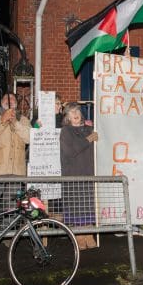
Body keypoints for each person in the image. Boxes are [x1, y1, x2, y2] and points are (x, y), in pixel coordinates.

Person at [0, 93, 32, 250]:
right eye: (7, 99)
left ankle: (8, 235)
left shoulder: (23, 120)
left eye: (14, 99)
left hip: (16, 171)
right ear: (1, 102)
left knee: (11, 207)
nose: (11, 101)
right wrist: (3, 122)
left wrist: (14, 122)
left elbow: (29, 138)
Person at [59, 103, 99, 248]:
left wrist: (95, 132)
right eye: (71, 112)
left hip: (88, 173)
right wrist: (89, 139)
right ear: (67, 117)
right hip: (73, 175)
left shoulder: (89, 129)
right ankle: (79, 237)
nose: (75, 114)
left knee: (88, 206)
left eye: (77, 111)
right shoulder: (66, 131)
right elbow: (71, 151)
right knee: (77, 206)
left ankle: (89, 234)